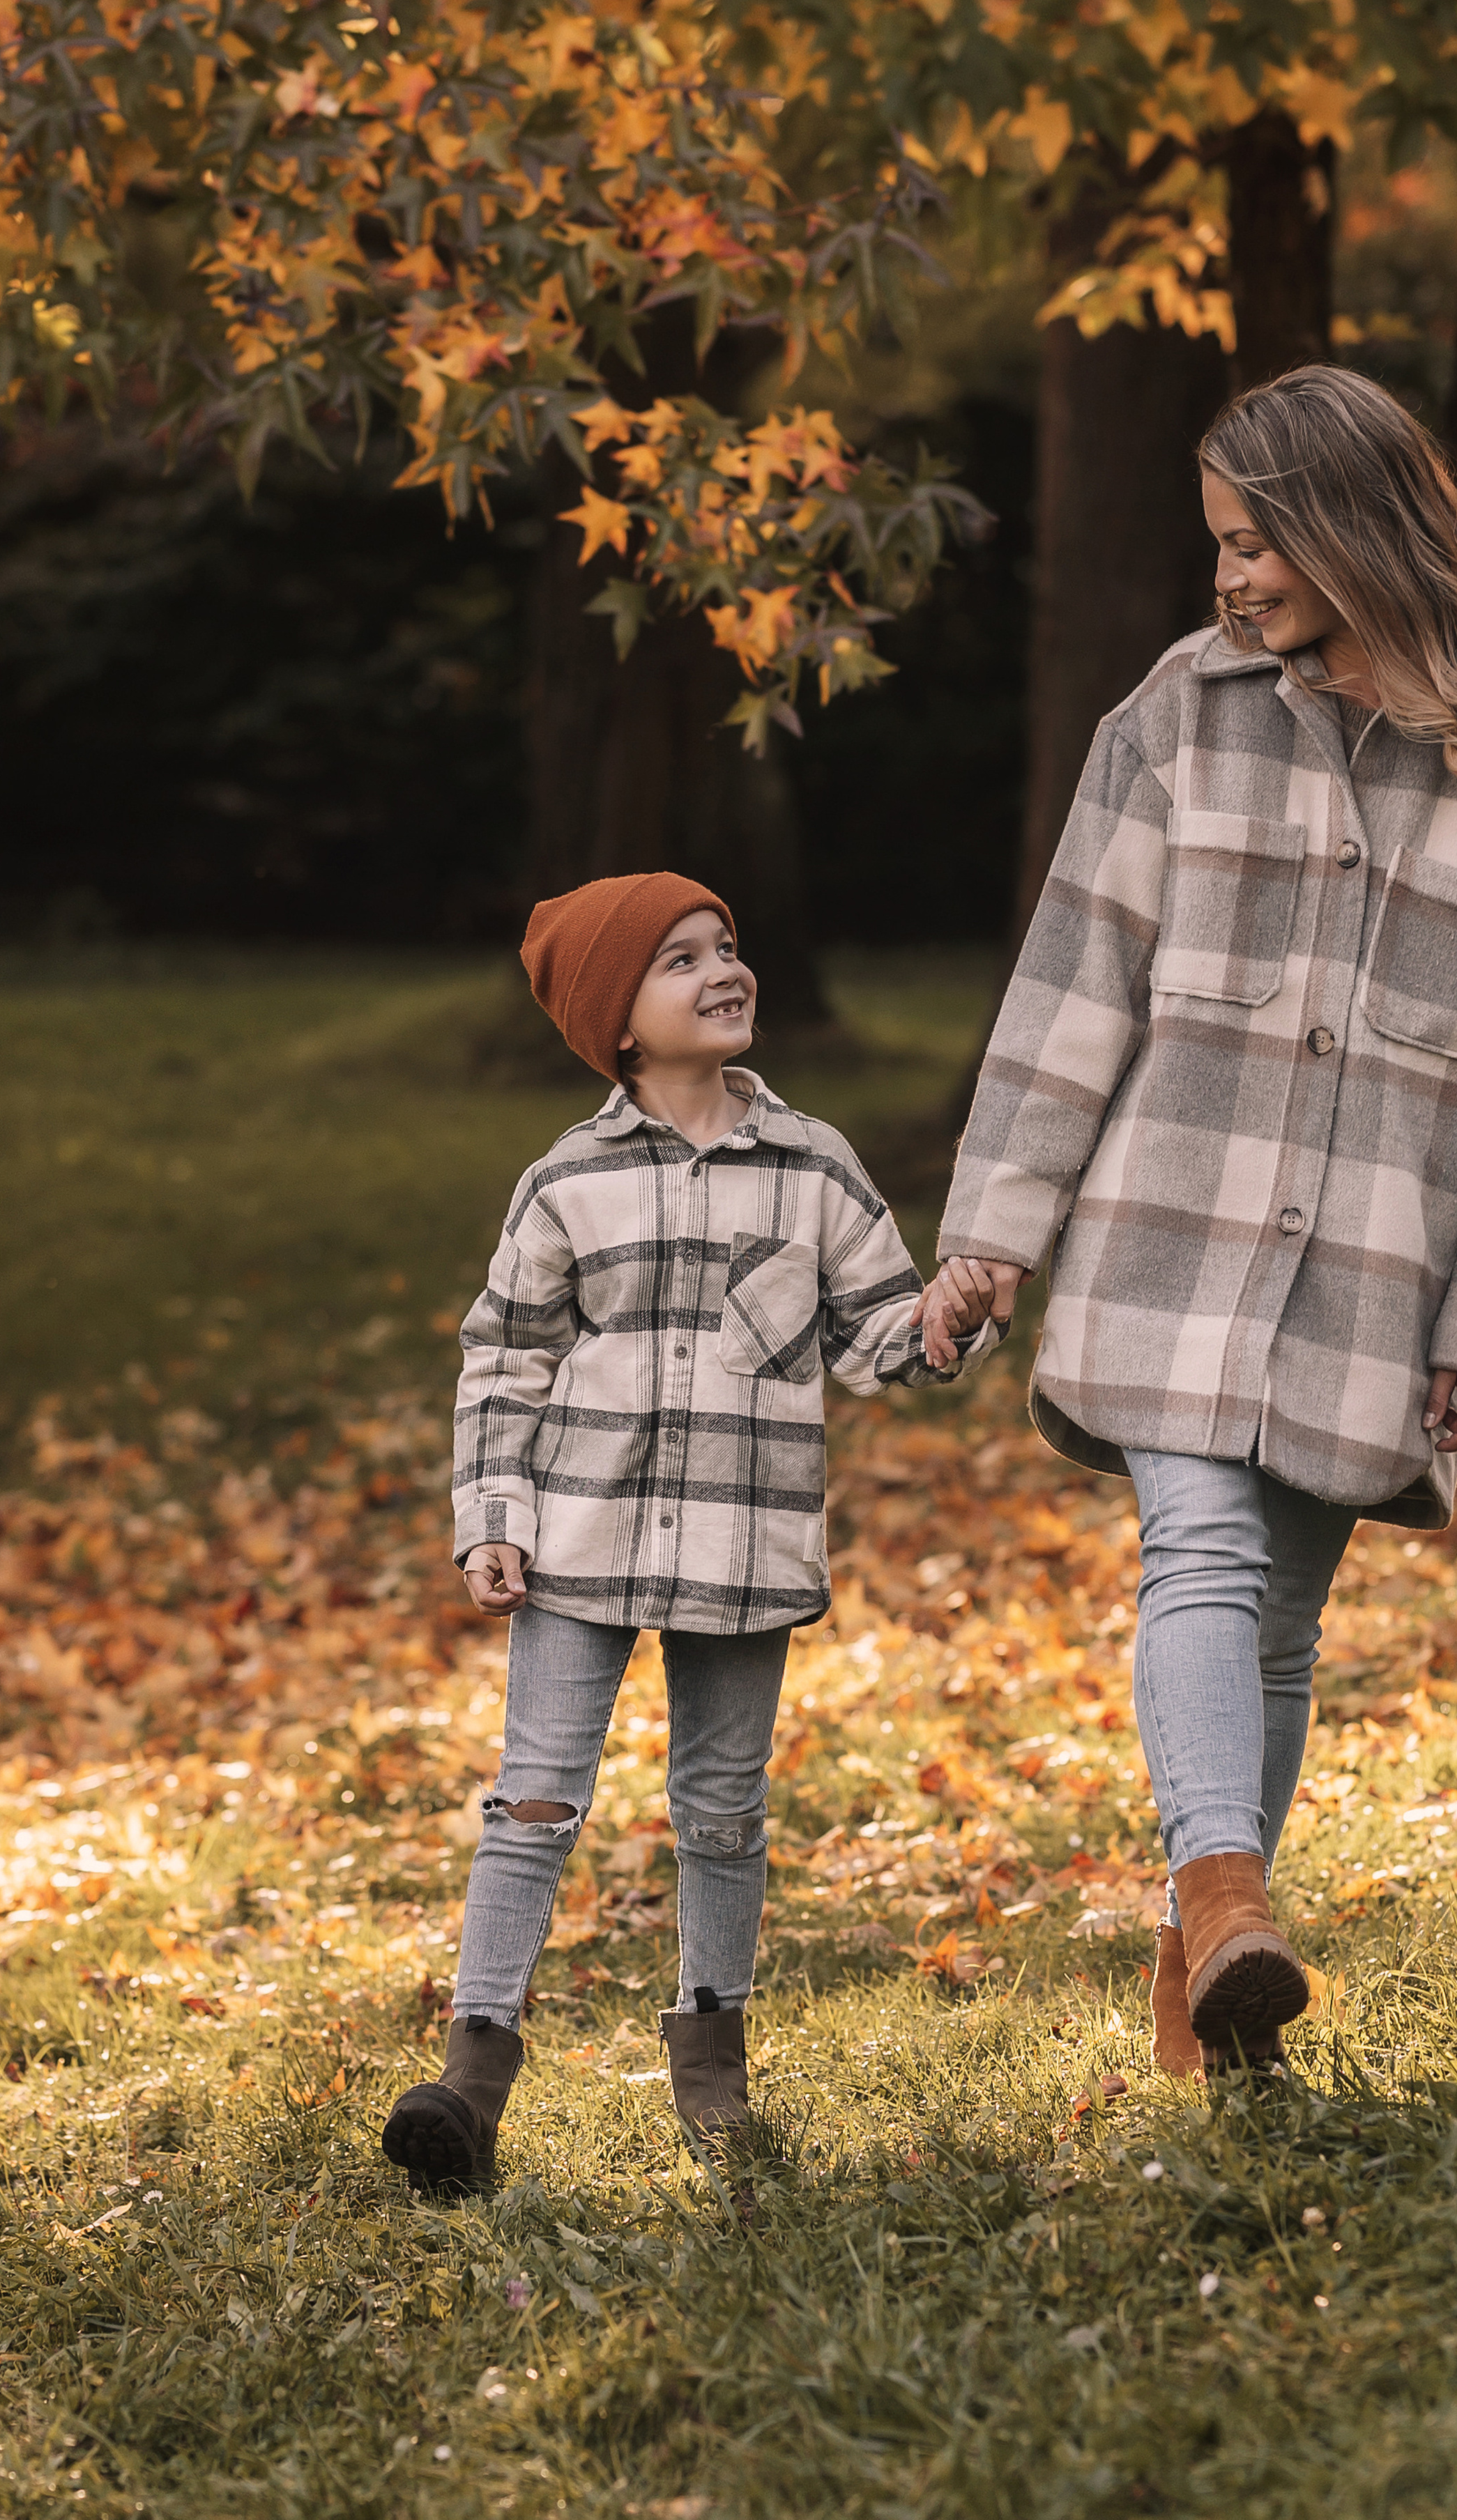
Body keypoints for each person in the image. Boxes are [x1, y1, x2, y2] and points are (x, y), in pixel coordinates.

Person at [917, 364, 1457, 2079]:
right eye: (1217, 545)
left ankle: (1206, 1991)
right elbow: (1075, 977)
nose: (1226, 577)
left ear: (1350, 528)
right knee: (1202, 1559)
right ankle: (1227, 1890)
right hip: (1168, 1232)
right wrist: (994, 1227)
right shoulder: (1178, 713)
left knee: (1278, 1626)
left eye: (1251, 542)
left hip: (1376, 1269)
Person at [383, 872, 1002, 2190]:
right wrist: (492, 1517)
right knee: (534, 1798)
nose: (724, 970)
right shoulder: (567, 1182)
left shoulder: (814, 1165)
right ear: (618, 1020)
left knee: (722, 1810)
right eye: (681, 960)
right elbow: (505, 1359)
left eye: (726, 946)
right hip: (580, 1539)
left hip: (742, 1546)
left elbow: (876, 1340)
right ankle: (469, 2084)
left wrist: (948, 1315)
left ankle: (714, 2083)